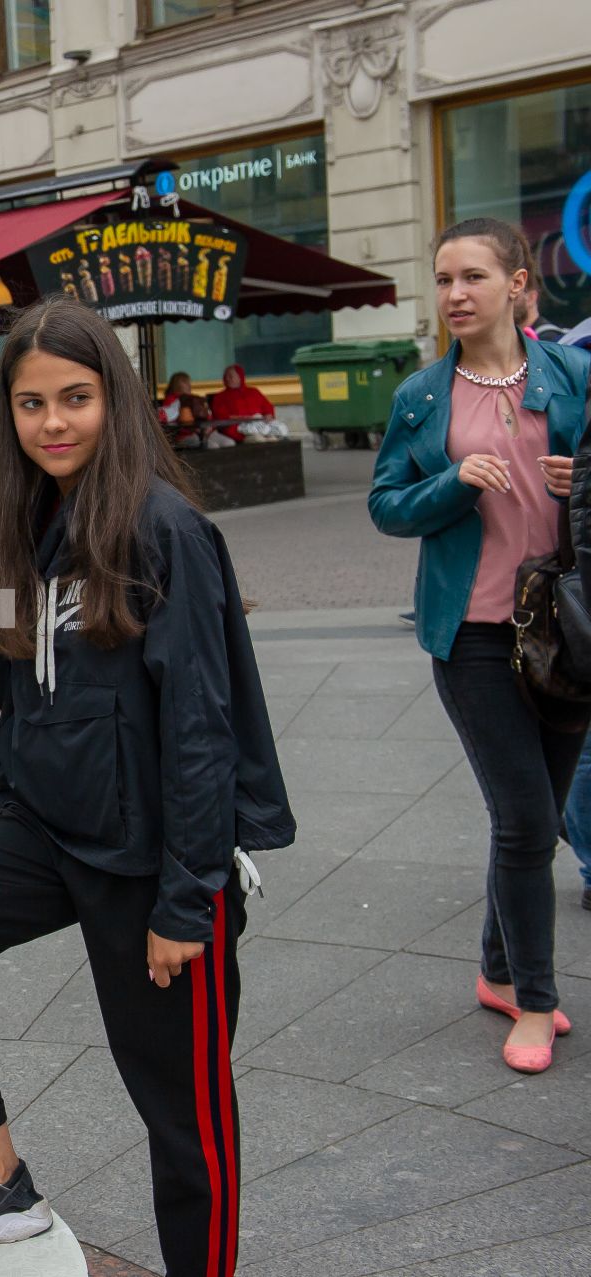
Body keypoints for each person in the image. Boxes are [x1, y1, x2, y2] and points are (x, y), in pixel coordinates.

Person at [0, 297, 291, 1271]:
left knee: (184, 1120)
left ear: (115, 399)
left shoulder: (162, 528)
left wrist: (188, 901)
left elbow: (198, 727)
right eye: (30, 403)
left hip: (156, 867)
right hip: (50, 830)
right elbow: (20, 684)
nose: (53, 421)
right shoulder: (36, 522)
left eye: (76, 397)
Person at [368, 217, 591, 1075]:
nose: (456, 294)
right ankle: (535, 999)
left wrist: (584, 482)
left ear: (519, 284)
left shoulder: (573, 374)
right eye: (444, 278)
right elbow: (388, 505)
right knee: (530, 817)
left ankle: (500, 968)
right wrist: (450, 483)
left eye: (472, 277)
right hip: (471, 634)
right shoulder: (423, 395)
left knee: (532, 823)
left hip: (569, 632)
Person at [209, 365, 289, 443]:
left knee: (276, 431)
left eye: (230, 376)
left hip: (258, 423)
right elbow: (220, 416)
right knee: (257, 438)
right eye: (225, 376)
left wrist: (268, 415)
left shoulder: (253, 392)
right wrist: (242, 418)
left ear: (240, 377)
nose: (227, 379)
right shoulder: (220, 397)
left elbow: (267, 407)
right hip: (236, 427)